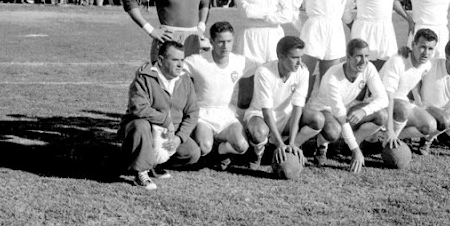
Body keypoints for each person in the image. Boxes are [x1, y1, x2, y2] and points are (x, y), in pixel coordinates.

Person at [119, 40, 201, 190]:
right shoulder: (144, 77)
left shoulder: (185, 80)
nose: (180, 65)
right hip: (145, 131)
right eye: (175, 60)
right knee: (140, 124)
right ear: (161, 60)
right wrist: (166, 121)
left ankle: (154, 164)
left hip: (170, 134)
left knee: (192, 153)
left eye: (182, 60)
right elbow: (138, 108)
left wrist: (179, 138)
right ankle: (141, 172)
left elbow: (193, 112)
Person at [183, 22, 258, 170]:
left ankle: (220, 151)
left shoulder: (240, 62)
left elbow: (263, 69)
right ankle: (206, 144)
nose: (225, 47)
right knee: (204, 146)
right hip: (202, 114)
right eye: (221, 42)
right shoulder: (198, 61)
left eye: (229, 41)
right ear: (211, 42)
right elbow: (175, 68)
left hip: (225, 114)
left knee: (242, 146)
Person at [307, 39, 389, 173]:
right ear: (348, 57)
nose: (364, 61)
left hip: (344, 109)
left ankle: (347, 144)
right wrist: (356, 151)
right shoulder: (332, 77)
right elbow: (340, 115)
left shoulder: (369, 68)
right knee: (334, 131)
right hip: (324, 110)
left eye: (366, 56)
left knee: (382, 115)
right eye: (358, 56)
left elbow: (383, 99)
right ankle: (322, 145)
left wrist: (364, 111)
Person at [245, 36, 324, 169]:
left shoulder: (303, 71)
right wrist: (279, 143)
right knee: (259, 132)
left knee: (318, 119)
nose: (299, 62)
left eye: (301, 57)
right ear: (281, 57)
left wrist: (292, 142)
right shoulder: (264, 72)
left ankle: (292, 147)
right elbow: (267, 112)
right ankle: (258, 153)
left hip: (285, 118)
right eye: (294, 58)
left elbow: (297, 108)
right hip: (261, 116)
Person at [234, 0, 295, 110]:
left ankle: (268, 127)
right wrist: (273, 13)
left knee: (273, 87)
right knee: (246, 91)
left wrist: (261, 14)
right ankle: (242, 128)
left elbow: (288, 15)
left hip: (274, 39)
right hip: (250, 39)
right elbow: (246, 12)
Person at [379, 28, 437, 148]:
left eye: (430, 48)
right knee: (404, 107)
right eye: (422, 47)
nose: (426, 53)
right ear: (413, 45)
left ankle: (393, 137)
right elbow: (388, 96)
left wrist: (418, 100)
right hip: (380, 102)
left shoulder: (427, 65)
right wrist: (390, 129)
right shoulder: (398, 61)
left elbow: (413, 79)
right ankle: (387, 140)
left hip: (400, 101)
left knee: (430, 126)